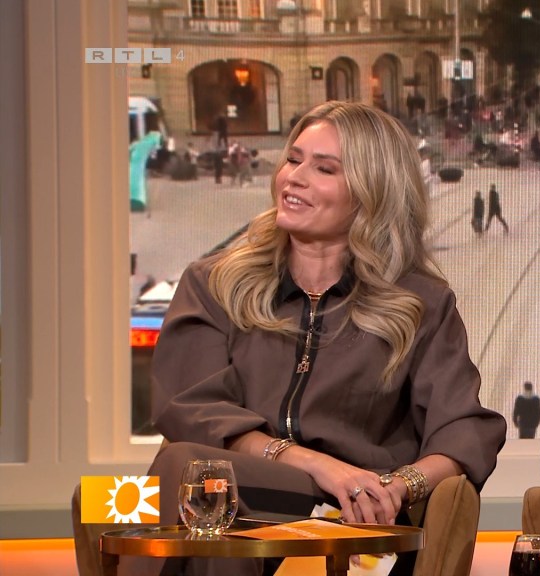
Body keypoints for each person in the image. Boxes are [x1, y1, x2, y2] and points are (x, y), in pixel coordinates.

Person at [130, 101, 507, 575]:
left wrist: (397, 487)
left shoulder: (420, 303)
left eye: (324, 169)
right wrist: (314, 464)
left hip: (350, 516)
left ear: (371, 192)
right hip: (238, 493)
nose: (294, 177)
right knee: (164, 483)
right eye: (293, 159)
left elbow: (464, 428)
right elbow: (190, 406)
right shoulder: (214, 283)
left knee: (196, 485)